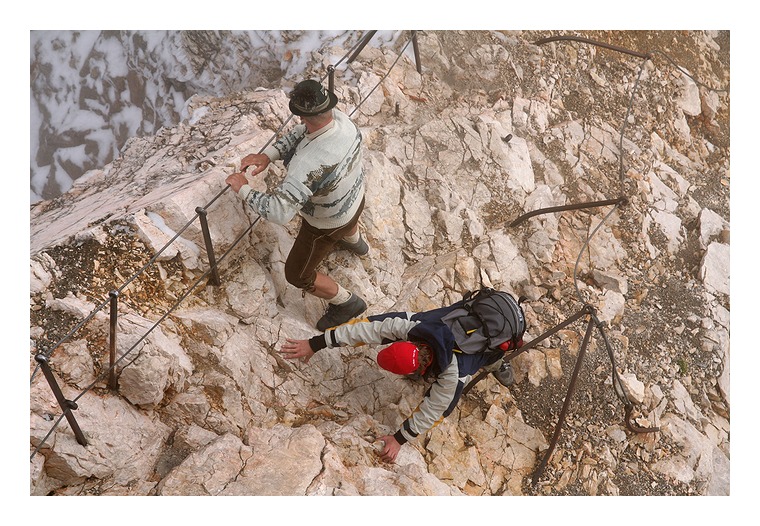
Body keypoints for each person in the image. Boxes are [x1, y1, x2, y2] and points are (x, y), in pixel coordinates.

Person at [279, 301, 517, 463]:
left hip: (494, 330)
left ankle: (498, 363)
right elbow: (365, 329)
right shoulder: (411, 326)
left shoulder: (454, 374)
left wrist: (400, 438)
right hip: (468, 316)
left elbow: (437, 409)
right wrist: (315, 344)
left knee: (489, 354)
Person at [226, 79, 369, 331]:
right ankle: (355, 242)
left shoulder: (307, 164)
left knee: (297, 274)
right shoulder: (340, 119)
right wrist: (267, 155)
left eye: (300, 117)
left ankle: (348, 303)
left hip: (326, 223)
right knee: (348, 220)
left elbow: (279, 213)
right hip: (355, 197)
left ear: (304, 117)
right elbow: (303, 132)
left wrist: (243, 188)